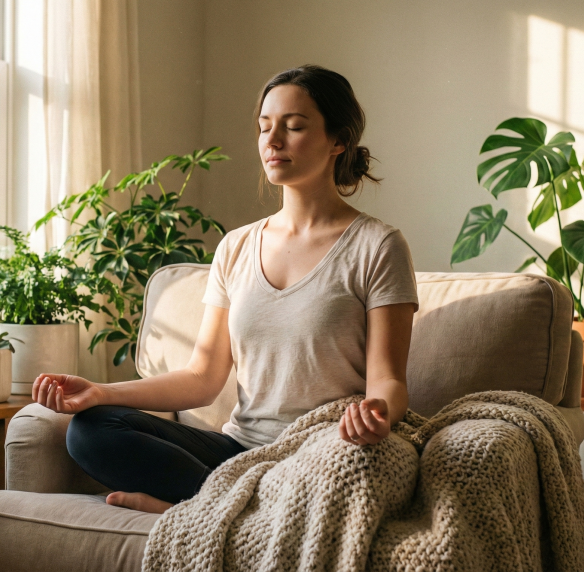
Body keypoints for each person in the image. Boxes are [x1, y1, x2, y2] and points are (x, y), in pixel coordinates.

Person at [32, 64, 418, 515]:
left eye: (293, 127)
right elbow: (202, 378)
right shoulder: (236, 247)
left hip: (322, 452)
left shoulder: (377, 246)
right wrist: (100, 392)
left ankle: (196, 508)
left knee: (351, 470)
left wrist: (376, 413)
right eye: (264, 127)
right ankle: (234, 507)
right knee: (90, 430)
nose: (272, 141)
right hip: (237, 452)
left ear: (339, 141)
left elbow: (388, 380)